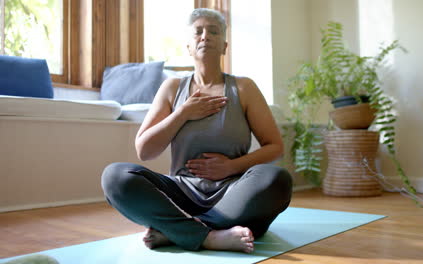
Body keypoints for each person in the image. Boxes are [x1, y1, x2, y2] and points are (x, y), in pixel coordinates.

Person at [101, 8, 292, 254]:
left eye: (213, 31)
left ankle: (176, 231)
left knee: (277, 180)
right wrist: (183, 113)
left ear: (224, 46)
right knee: (115, 177)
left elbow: (275, 146)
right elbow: (145, 150)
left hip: (232, 196)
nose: (205, 36)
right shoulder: (171, 88)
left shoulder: (244, 88)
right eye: (198, 32)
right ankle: (211, 236)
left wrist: (232, 167)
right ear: (189, 47)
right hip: (180, 193)